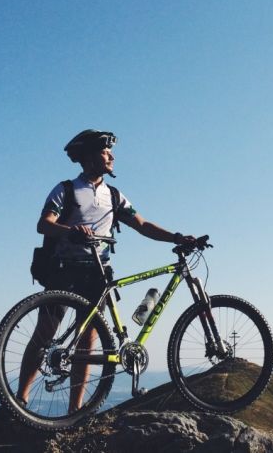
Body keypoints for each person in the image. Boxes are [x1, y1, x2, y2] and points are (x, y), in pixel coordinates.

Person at [16, 129, 196, 413]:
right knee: (45, 333)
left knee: (88, 342)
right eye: (104, 151)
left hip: (97, 273)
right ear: (88, 157)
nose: (111, 156)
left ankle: (76, 411)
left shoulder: (113, 195)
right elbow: (44, 224)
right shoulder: (66, 189)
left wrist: (177, 237)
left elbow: (142, 224)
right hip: (63, 269)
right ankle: (20, 399)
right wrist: (70, 231)